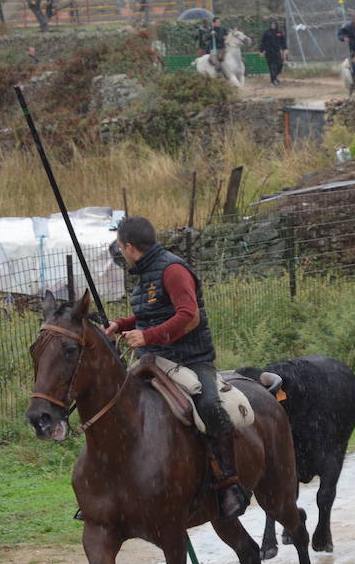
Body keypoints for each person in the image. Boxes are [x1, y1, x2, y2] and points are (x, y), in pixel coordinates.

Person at [105, 216, 250, 521]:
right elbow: (150, 314)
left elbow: (189, 315)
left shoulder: (173, 271)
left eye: (120, 247)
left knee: (209, 405)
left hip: (191, 360)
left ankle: (229, 483)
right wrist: (121, 325)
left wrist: (147, 336)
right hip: (155, 360)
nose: (121, 253)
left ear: (129, 247)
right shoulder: (145, 273)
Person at [259, 19, 288, 87]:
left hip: (277, 52)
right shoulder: (267, 33)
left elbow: (283, 41)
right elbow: (262, 42)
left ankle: (275, 77)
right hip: (269, 52)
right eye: (272, 24)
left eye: (274, 24)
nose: (273, 25)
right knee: (272, 67)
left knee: (280, 65)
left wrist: (285, 48)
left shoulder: (279, 32)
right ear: (270, 25)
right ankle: (272, 81)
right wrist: (261, 51)